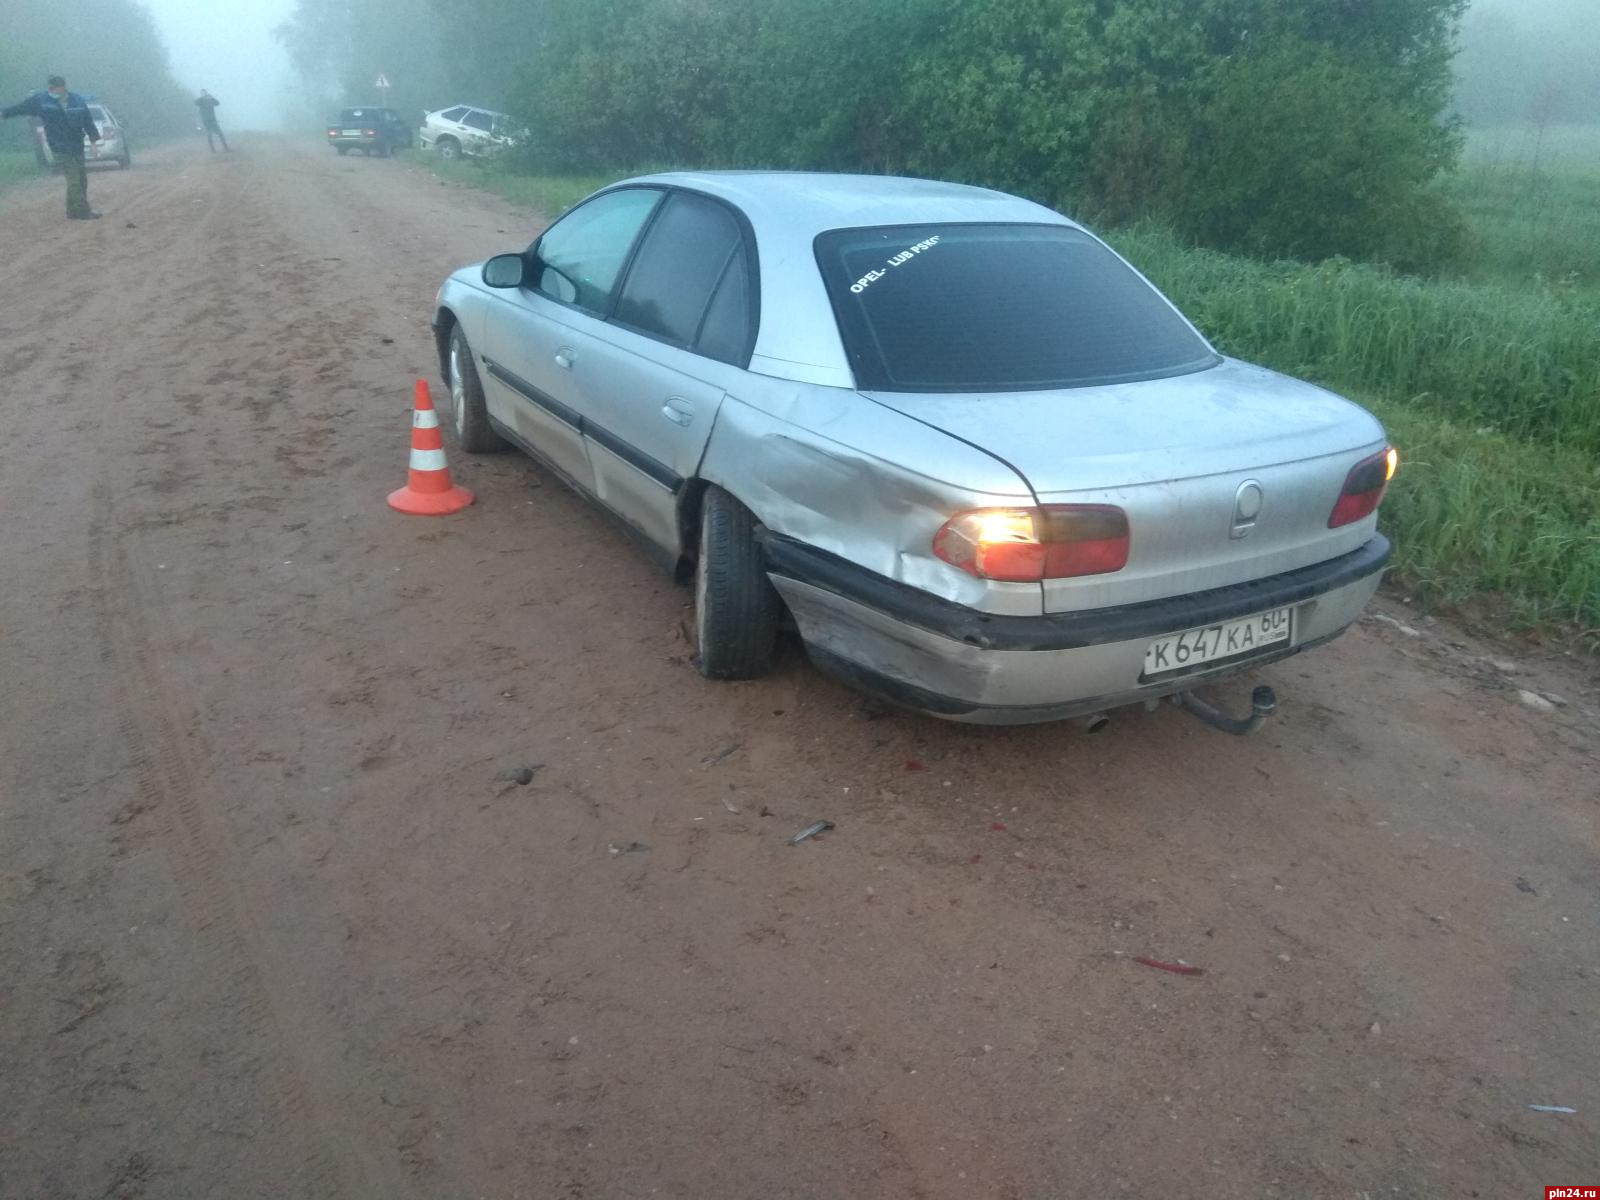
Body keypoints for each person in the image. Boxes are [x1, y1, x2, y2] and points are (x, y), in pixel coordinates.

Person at [1, 75, 102, 219]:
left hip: (76, 144)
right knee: (74, 178)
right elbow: (21, 108)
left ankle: (72, 211)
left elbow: (88, 122)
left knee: (81, 179)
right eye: (49, 88)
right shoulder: (41, 101)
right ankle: (83, 212)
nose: (50, 91)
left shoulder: (78, 101)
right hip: (59, 145)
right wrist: (4, 113)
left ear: (62, 88)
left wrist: (93, 144)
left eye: (53, 88)